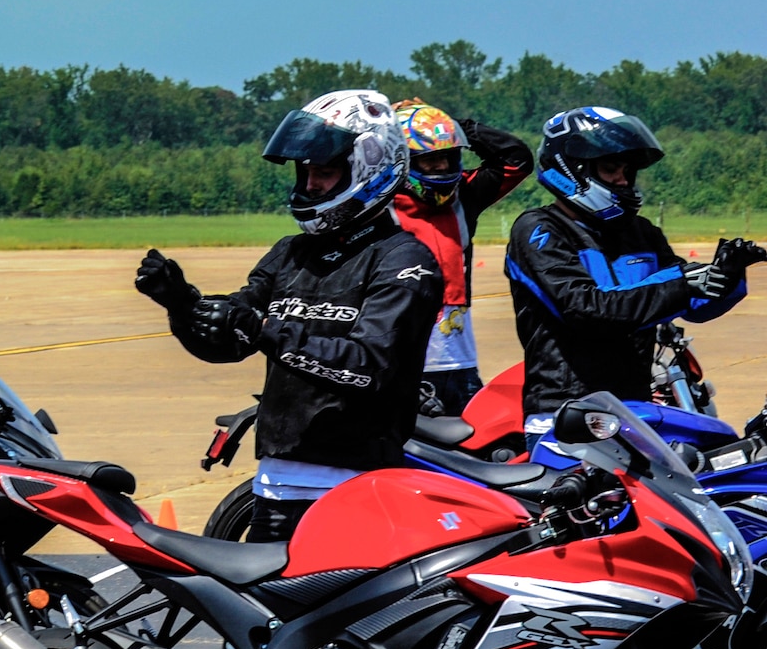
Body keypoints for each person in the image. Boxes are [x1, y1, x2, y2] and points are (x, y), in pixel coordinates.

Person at [135, 90, 444, 542]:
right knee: (266, 614)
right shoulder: (290, 254)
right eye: (307, 173)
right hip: (275, 486)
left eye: (325, 172)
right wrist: (183, 305)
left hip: (355, 487)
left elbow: (369, 366)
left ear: (369, 168)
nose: (311, 185)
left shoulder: (403, 259)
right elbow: (231, 343)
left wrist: (267, 330)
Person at [504, 106, 761, 447]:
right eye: (611, 168)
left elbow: (693, 305)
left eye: (627, 170)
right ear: (573, 168)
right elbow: (586, 309)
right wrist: (682, 285)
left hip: (634, 411)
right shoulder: (539, 230)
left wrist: (726, 276)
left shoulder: (640, 232)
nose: (623, 180)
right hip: (565, 416)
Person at [390, 100, 533, 416]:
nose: (441, 167)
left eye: (447, 157)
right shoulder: (379, 203)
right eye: (430, 160)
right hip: (398, 365)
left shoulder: (463, 194)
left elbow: (516, 160)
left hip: (459, 362)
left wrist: (449, 125)